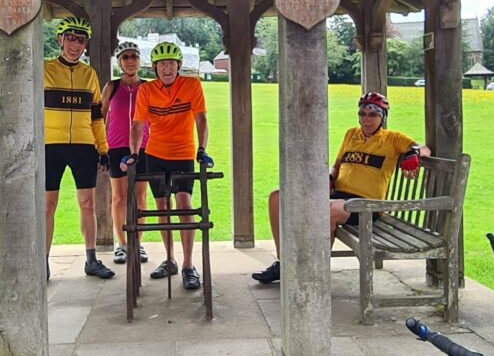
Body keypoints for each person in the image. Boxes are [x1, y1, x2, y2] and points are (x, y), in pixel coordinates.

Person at [252, 92, 431, 284]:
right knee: (277, 197)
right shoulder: (351, 134)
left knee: (327, 210)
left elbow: (425, 149)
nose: (366, 119)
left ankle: (315, 272)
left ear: (383, 117)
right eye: (362, 114)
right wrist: (329, 176)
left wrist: (413, 154)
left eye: (373, 115)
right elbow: (337, 166)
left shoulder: (393, 138)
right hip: (338, 196)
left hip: (366, 205)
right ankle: (284, 263)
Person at [121, 42, 213, 291]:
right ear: (155, 68)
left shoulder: (192, 85)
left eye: (171, 63)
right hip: (156, 154)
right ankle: (170, 258)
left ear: (179, 66)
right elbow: (138, 124)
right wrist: (134, 153)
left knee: (184, 205)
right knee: (162, 206)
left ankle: (188, 264)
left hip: (183, 153)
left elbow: (201, 118)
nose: (167, 68)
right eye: (162, 64)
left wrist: (202, 149)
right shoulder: (147, 90)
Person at [44, 16, 114, 280]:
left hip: (84, 146)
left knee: (88, 204)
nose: (75, 45)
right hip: (50, 145)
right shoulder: (45, 70)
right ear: (60, 40)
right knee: (48, 205)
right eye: (71, 39)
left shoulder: (89, 74)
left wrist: (103, 149)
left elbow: (96, 116)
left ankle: (91, 260)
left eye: (81, 40)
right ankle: (42, 261)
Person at [102, 41, 150, 265]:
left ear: (140, 61)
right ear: (120, 62)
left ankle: (137, 243)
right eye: (126, 57)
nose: (130, 61)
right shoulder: (112, 87)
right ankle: (122, 244)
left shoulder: (148, 87)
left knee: (140, 197)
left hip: (144, 147)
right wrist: (100, 147)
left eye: (134, 56)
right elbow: (101, 117)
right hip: (117, 147)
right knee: (119, 197)